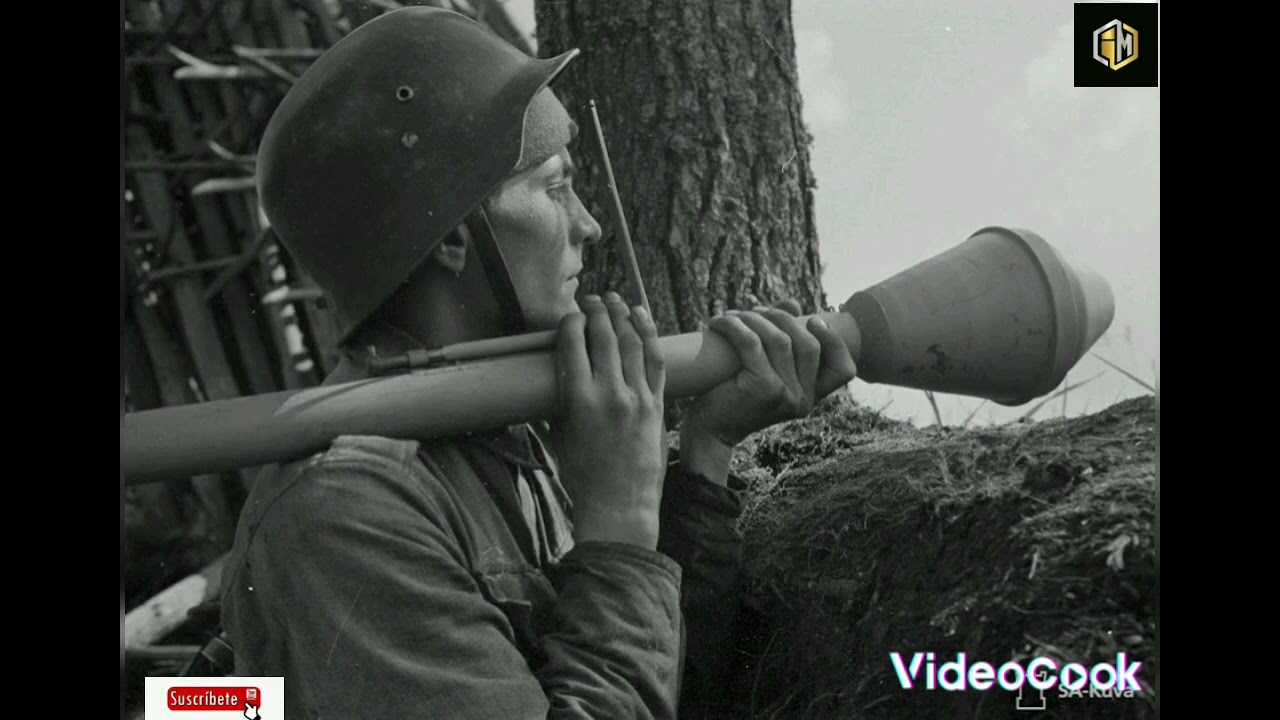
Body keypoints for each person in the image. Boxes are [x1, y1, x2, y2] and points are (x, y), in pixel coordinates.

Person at [219, 6, 858, 719]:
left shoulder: (511, 434)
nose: (589, 224)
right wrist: (616, 521)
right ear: (452, 238)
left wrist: (704, 455)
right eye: (555, 188)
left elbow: (677, 693)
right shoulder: (348, 514)